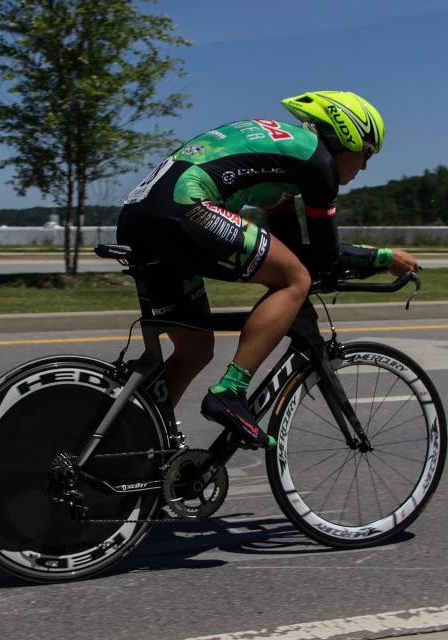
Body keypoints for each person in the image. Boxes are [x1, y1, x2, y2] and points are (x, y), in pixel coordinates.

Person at [117, 90, 420, 451]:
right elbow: (322, 258)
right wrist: (383, 258)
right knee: (296, 280)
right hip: (184, 206)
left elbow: (293, 250)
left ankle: (135, 443)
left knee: (196, 348)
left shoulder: (286, 165)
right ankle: (231, 389)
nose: (365, 166)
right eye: (366, 154)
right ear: (346, 137)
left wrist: (345, 260)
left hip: (140, 215)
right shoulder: (318, 161)